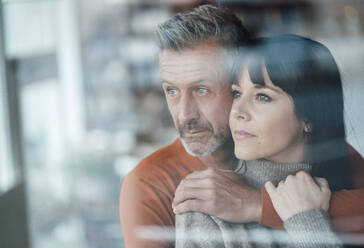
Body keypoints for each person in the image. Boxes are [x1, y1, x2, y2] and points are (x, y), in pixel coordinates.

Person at [119, 5, 364, 248]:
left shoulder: (330, 155)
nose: (184, 115)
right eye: (171, 91)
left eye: (202, 90)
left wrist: (256, 204)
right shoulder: (155, 185)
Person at [175, 34, 352, 248]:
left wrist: (307, 222)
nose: (238, 111)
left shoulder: (348, 195)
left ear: (309, 116)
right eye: (237, 93)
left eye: (262, 97)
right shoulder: (207, 205)